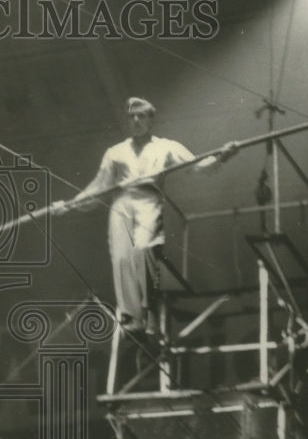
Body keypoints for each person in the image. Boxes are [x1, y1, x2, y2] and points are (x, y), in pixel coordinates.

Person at [53, 97, 239, 337]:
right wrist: (68, 205)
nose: (136, 121)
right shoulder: (115, 152)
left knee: (143, 249)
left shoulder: (166, 147)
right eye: (132, 116)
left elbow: (197, 165)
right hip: (121, 202)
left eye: (141, 116)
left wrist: (223, 155)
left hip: (148, 200)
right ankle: (132, 316)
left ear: (151, 120)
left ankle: (150, 311)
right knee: (121, 258)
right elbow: (98, 187)